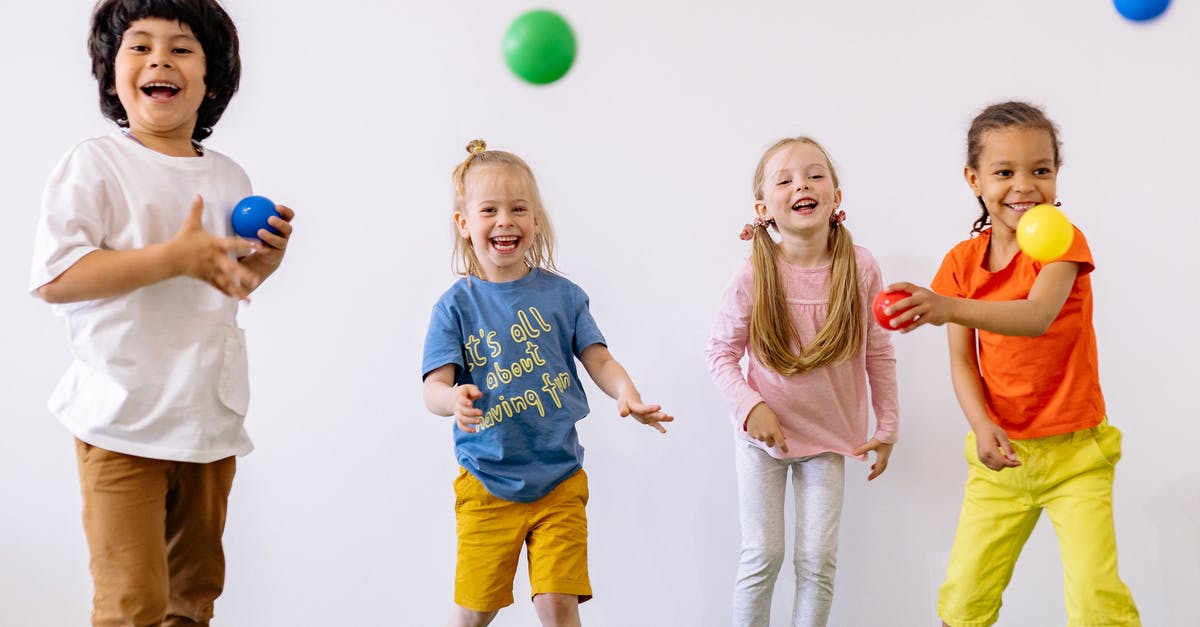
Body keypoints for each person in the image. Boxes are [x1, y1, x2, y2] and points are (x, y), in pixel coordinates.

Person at [28, 0, 294, 624]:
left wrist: (256, 271)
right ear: (113, 72)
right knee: (132, 602)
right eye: (140, 46)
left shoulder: (229, 175)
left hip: (205, 420)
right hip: (120, 422)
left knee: (193, 596)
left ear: (211, 77)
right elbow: (56, 278)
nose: (159, 59)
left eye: (181, 49)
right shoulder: (96, 163)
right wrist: (171, 257)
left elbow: (219, 284)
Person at [882, 101, 1140, 627]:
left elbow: (1036, 315)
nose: (1024, 186)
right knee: (963, 601)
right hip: (1000, 458)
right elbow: (963, 361)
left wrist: (945, 305)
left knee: (1097, 601)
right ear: (973, 179)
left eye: (1040, 170)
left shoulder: (1062, 242)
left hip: (1076, 457)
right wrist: (981, 426)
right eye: (1005, 172)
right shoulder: (960, 262)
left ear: (1056, 174)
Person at [422, 140, 672, 627]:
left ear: (535, 220)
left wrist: (627, 393)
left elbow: (598, 358)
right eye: (489, 210)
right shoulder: (453, 307)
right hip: (486, 484)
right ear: (465, 224)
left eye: (519, 209)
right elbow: (433, 388)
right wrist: (452, 399)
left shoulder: (564, 296)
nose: (505, 221)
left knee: (559, 606)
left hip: (559, 481)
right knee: (474, 612)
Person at [706, 136, 899, 626]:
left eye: (815, 175)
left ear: (836, 197)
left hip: (828, 436)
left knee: (817, 563)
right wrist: (751, 407)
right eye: (785, 179)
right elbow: (721, 353)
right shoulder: (753, 270)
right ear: (763, 208)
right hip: (761, 439)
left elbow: (878, 348)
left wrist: (888, 425)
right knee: (762, 555)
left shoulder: (860, 267)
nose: (802, 186)